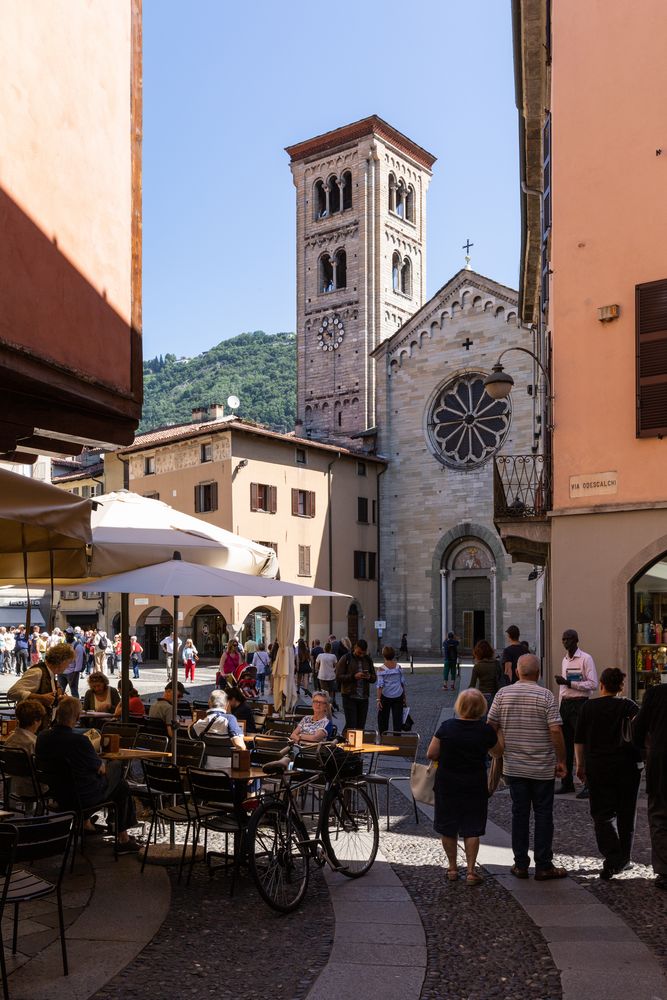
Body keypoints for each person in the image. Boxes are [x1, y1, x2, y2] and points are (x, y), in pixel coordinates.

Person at [487, 653, 568, 880]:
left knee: (519, 815)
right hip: (542, 767)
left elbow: (490, 725)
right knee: (544, 815)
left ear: (516, 672)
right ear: (538, 673)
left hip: (514, 767)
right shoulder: (546, 696)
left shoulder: (503, 694)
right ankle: (543, 865)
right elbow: (555, 730)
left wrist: (497, 748)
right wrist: (561, 760)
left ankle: (520, 864)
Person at [36, 697, 140, 853]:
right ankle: (123, 838)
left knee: (110, 782)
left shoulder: (43, 737)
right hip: (82, 797)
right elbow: (102, 770)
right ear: (78, 717)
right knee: (120, 781)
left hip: (56, 795)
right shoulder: (80, 741)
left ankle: (87, 824)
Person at [428, 688, 503, 885]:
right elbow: (497, 752)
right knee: (472, 828)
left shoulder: (447, 727)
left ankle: (452, 868)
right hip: (474, 783)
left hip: (447, 783)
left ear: (460, 706)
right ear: (481, 708)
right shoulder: (484, 730)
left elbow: (431, 753)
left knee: (448, 826)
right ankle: (470, 871)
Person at [574, 667, 641, 879]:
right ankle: (624, 858)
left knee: (601, 813)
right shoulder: (628, 706)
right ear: (621, 687)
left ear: (601, 685)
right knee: (626, 813)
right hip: (627, 766)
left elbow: (579, 740)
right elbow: (640, 731)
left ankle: (613, 856)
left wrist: (580, 765)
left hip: (598, 766)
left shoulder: (588, 707)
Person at [555, 629, 598, 797]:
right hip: (566, 705)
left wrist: (569, 683)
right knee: (565, 745)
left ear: (576, 640)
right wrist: (560, 706)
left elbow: (593, 683)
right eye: (563, 639)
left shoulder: (586, 658)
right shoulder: (565, 659)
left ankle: (588, 783)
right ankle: (567, 782)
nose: (565, 642)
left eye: (568, 639)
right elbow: (562, 689)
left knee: (583, 743)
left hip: (580, 704)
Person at [633, 679, 667, 889]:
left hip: (661, 761)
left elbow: (638, 729)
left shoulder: (655, 694)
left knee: (660, 814)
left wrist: (643, 752)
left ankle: (664, 870)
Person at [8, 642, 73, 718]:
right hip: (31, 725)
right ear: (62, 662)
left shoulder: (51, 673)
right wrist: (40, 697)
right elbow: (12, 692)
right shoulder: (37, 672)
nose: (68, 666)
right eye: (68, 663)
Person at [4, 698, 47, 799]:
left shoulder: (9, 739)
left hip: (12, 785)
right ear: (36, 721)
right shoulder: (32, 743)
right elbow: (40, 770)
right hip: (32, 788)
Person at [335, 638, 377, 732]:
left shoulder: (368, 659)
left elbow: (374, 678)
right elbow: (338, 676)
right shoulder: (346, 658)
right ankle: (343, 742)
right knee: (351, 724)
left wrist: (369, 677)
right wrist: (353, 677)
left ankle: (356, 744)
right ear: (355, 648)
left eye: (363, 653)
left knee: (360, 726)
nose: (361, 655)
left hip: (363, 697)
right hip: (349, 696)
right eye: (359, 653)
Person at [376, 645, 406, 734]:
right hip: (398, 694)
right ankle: (397, 739)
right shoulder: (399, 667)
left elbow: (380, 686)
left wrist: (378, 699)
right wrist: (404, 696)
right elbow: (402, 683)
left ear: (383, 655)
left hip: (386, 695)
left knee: (383, 719)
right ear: (393, 655)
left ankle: (384, 737)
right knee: (397, 719)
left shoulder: (381, 669)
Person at [468, 639, 501, 710]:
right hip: (494, 695)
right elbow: (500, 679)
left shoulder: (477, 666)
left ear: (477, 652)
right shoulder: (496, 664)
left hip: (481, 696)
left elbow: (472, 685)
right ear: (490, 651)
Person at [60, 626, 84, 698]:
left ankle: (76, 707)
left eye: (69, 634)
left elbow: (78, 663)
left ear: (72, 635)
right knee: (60, 692)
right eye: (66, 634)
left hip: (72, 672)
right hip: (62, 672)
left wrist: (74, 675)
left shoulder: (77, 646)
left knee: (74, 692)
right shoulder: (64, 645)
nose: (67, 636)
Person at [316, 641, 339, 712]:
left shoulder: (320, 655)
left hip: (322, 676)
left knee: (324, 692)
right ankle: (330, 705)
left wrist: (317, 670)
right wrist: (335, 671)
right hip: (331, 676)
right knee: (331, 692)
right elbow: (336, 666)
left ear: (324, 648)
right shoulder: (333, 656)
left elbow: (316, 665)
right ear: (330, 649)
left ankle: (325, 707)